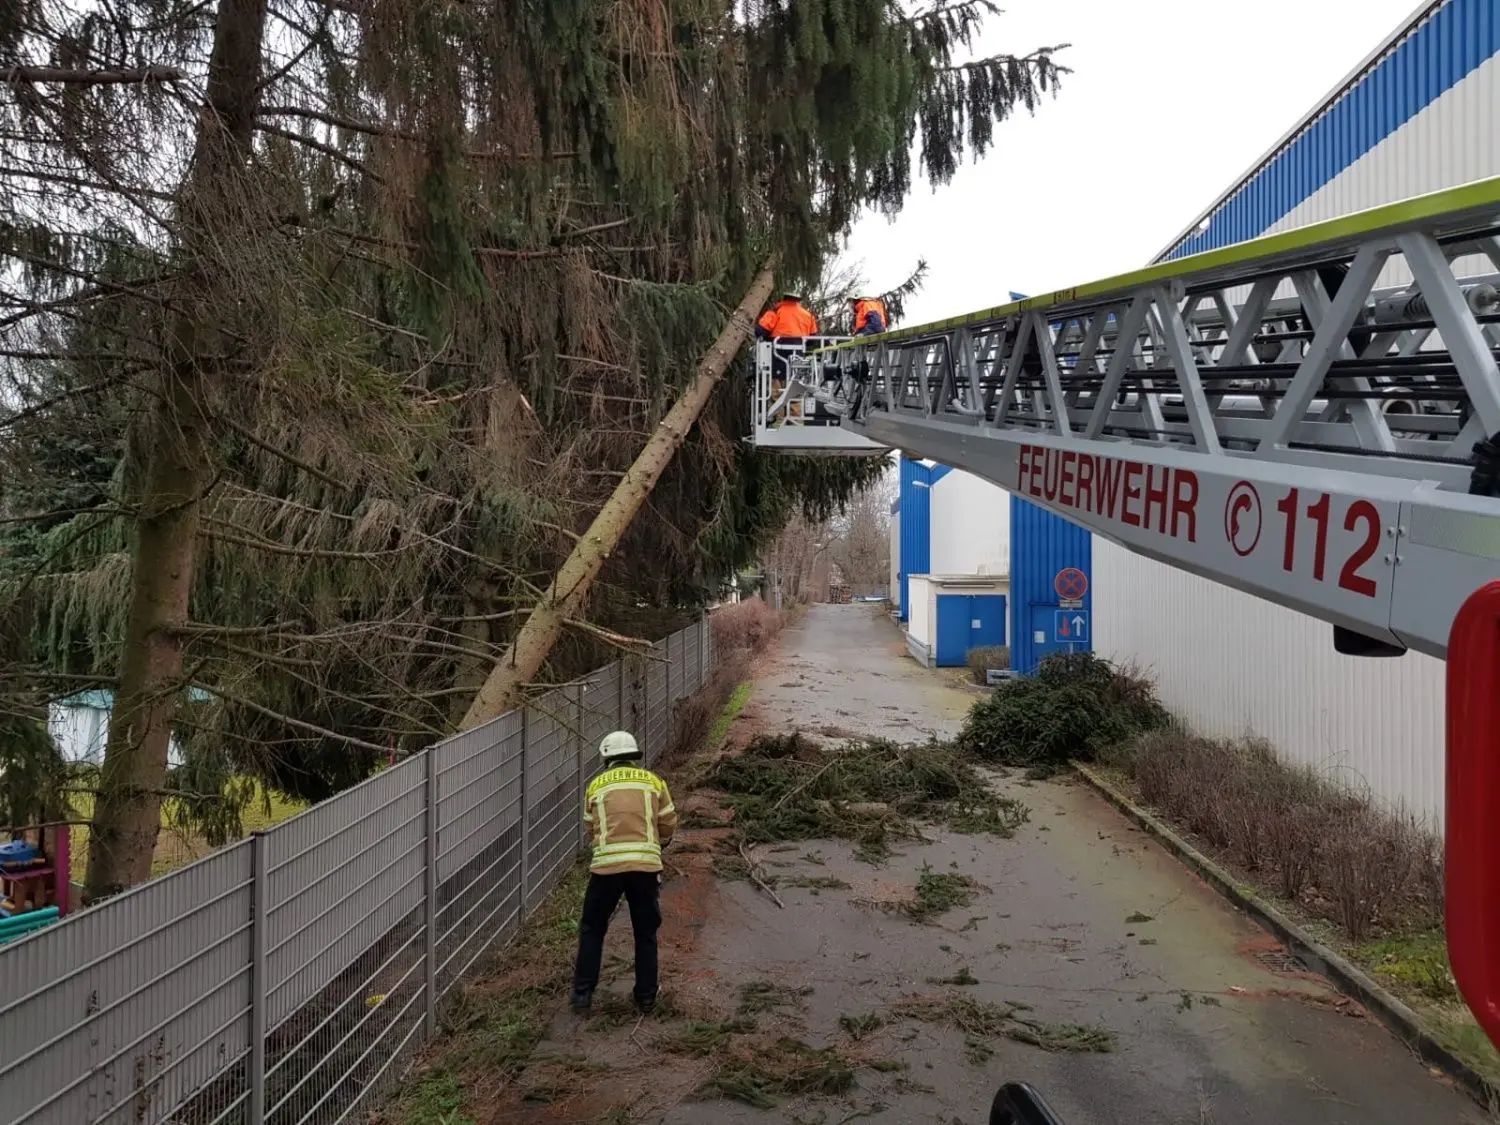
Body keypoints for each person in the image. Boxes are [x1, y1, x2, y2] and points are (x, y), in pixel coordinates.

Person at [570, 730, 678, 1016]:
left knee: (592, 929)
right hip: (645, 867)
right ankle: (646, 998)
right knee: (645, 932)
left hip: (606, 869)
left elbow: (590, 827)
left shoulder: (595, 786)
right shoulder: (654, 782)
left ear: (607, 757)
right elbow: (668, 821)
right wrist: (659, 843)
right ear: (634, 756)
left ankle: (582, 996)